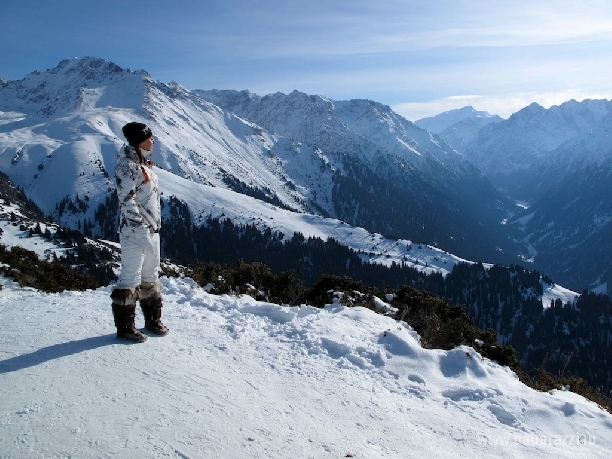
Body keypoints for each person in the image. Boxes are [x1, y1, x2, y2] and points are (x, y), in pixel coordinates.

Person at [110, 122, 169, 342]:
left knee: (150, 276)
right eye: (149, 137)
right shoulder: (127, 166)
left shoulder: (141, 163)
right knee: (129, 277)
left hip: (152, 230)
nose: (153, 141)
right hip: (134, 232)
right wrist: (139, 230)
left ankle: (153, 320)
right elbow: (126, 202)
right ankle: (125, 327)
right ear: (139, 141)